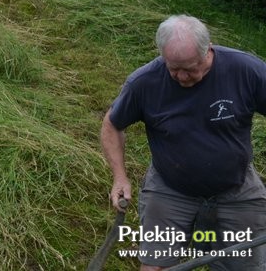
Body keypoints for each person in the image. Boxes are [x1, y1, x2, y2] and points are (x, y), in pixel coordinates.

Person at [100, 14, 266, 271]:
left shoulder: (246, 71)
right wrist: (120, 177)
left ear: (208, 50)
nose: (181, 76)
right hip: (170, 188)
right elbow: (112, 125)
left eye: (189, 68)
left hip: (237, 189)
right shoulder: (145, 83)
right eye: (173, 68)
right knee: (154, 267)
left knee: (245, 266)